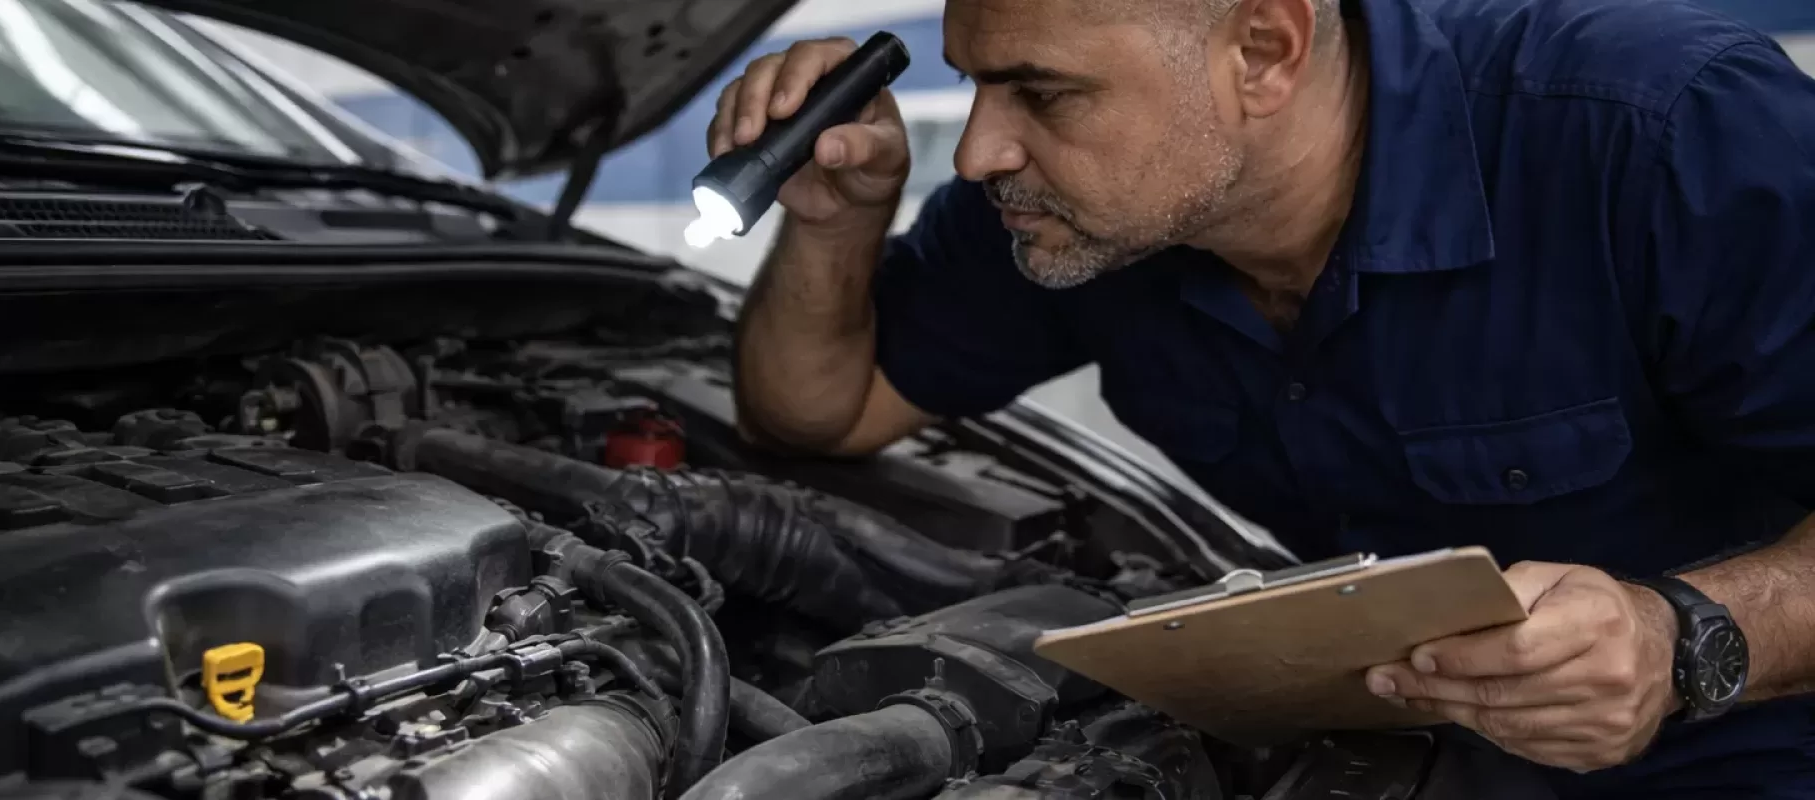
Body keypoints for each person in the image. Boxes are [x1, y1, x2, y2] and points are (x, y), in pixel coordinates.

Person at [714, 0, 1815, 795]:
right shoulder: (1070, 215)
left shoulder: (1662, 128)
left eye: (1045, 92)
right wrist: (836, 219)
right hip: (1395, 745)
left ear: (1263, 52)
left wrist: (1686, 636)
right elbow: (819, 411)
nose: (985, 149)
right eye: (974, 83)